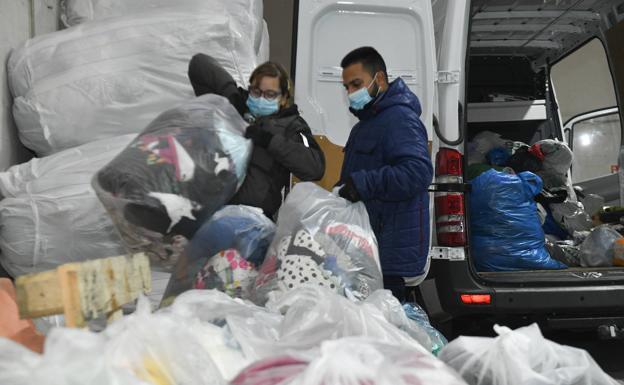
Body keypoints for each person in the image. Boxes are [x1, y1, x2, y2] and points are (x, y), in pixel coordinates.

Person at [337, 47, 433, 302]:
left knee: (387, 332)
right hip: (370, 248)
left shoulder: (399, 119)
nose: (350, 93)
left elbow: (418, 172)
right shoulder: (367, 123)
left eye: (355, 84)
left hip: (390, 252)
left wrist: (362, 183)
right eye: (346, 87)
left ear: (379, 79)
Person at [188, 54, 325, 219]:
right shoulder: (234, 106)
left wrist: (269, 141)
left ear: (283, 98)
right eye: (256, 92)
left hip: (252, 221)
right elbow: (199, 64)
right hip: (212, 210)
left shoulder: (291, 125)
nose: (260, 98)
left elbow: (315, 168)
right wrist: (231, 93)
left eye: (270, 95)